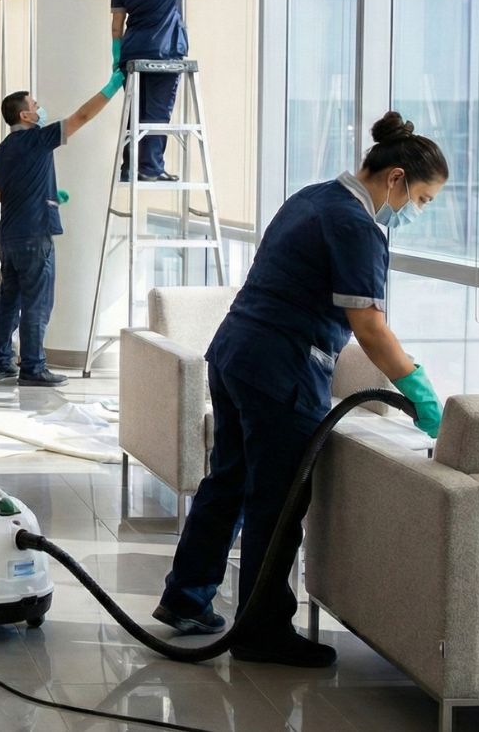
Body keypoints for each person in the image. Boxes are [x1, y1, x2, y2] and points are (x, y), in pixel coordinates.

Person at [155, 112, 446, 668]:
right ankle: (262, 632)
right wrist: (420, 392)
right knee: (279, 499)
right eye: (422, 199)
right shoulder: (357, 226)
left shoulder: (311, 197)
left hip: (235, 352)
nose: (416, 212)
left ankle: (186, 598)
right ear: (396, 179)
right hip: (280, 370)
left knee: (230, 479)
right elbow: (371, 326)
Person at [0, 72, 120, 386]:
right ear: (25, 115)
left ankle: (0, 362)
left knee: (9, 300)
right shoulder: (38, 138)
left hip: (8, 237)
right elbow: (82, 116)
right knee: (37, 302)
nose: (40, 107)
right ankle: (33, 368)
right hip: (35, 235)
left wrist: (44, 192)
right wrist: (112, 85)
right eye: (35, 104)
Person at [109, 0, 242, 182]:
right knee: (156, 113)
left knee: (136, 113)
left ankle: (131, 167)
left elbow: (117, 25)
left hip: (132, 52)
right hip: (163, 51)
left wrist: (116, 59)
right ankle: (149, 169)